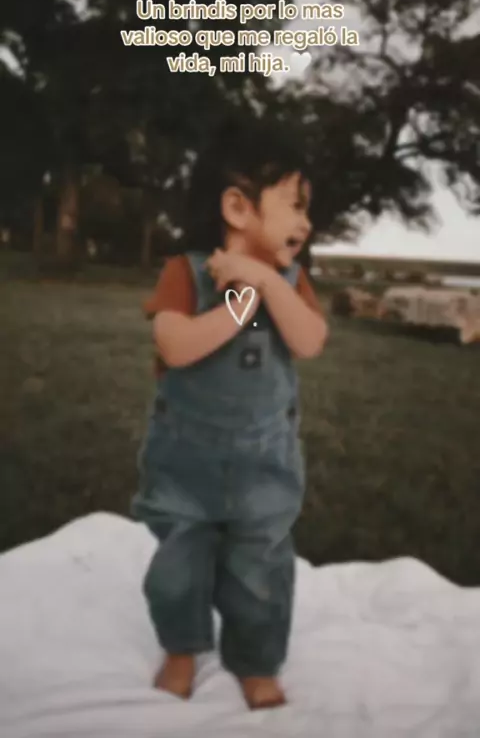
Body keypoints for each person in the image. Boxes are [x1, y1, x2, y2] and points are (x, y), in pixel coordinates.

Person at [131, 114, 328, 710]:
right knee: (179, 565)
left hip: (264, 463)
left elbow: (310, 341)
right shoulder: (185, 272)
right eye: (295, 204)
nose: (307, 222)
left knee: (260, 569)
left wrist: (266, 283)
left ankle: (256, 660)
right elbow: (175, 345)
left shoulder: (290, 281)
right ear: (238, 208)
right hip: (184, 463)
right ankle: (182, 648)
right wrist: (240, 304)